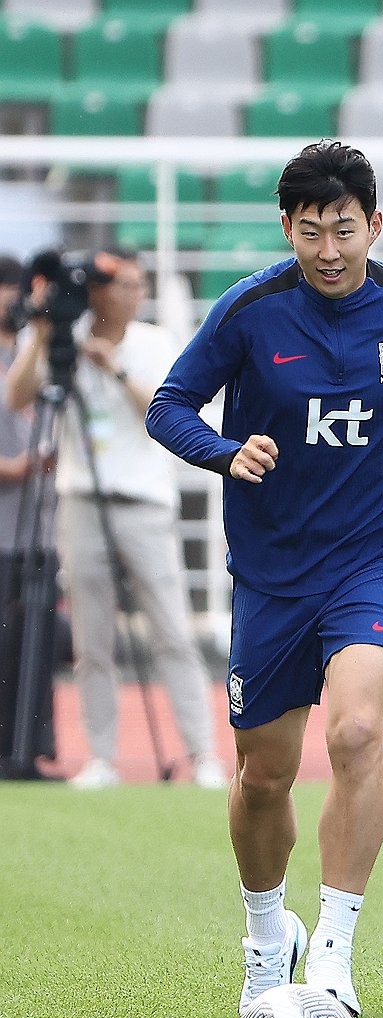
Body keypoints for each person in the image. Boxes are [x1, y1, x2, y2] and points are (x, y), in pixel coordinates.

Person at [145, 140, 383, 1017]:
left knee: (354, 733)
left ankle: (335, 953)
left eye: (344, 229)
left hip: (379, 560)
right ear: (287, 228)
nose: (329, 251)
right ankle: (267, 935)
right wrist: (226, 451)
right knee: (263, 776)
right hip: (274, 572)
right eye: (310, 232)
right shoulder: (250, 311)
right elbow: (168, 406)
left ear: (374, 224)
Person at [5, 249, 226, 791]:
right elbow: (17, 395)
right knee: (91, 639)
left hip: (143, 503)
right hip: (80, 499)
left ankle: (203, 756)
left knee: (172, 633)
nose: (132, 293)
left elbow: (168, 411)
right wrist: (43, 327)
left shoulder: (152, 342)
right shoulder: (67, 335)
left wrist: (115, 366)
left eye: (136, 283)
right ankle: (101, 756)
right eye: (121, 284)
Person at [0, 254, 58, 776]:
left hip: (38, 526)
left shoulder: (35, 348)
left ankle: (31, 748)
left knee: (35, 643)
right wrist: (17, 467)